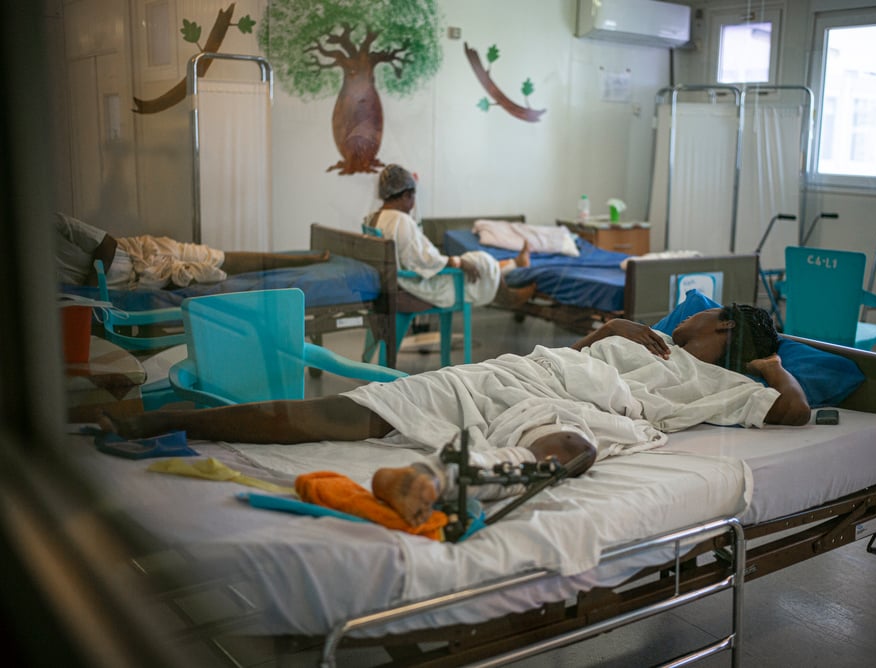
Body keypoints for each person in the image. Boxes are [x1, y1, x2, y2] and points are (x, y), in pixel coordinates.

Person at [100, 304, 810, 527]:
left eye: (712, 319)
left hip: (568, 406)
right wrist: (616, 330)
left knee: (572, 448)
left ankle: (446, 484)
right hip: (509, 373)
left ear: (729, 339)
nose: (696, 318)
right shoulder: (649, 334)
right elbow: (578, 346)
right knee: (346, 412)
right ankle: (165, 421)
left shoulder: (720, 380)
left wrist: (770, 360)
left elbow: (795, 413)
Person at [365, 164, 534, 309]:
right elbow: (421, 260)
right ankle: (508, 297)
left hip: (396, 280)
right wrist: (456, 262)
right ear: (406, 195)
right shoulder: (400, 220)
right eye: (412, 197)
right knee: (480, 260)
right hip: (417, 285)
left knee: (479, 261)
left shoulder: (373, 218)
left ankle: (517, 263)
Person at [55, 212, 330, 290]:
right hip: (139, 278)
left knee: (225, 258)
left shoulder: (50, 223)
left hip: (143, 252)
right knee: (217, 270)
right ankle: (307, 258)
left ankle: (306, 258)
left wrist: (91, 288)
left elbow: (106, 243)